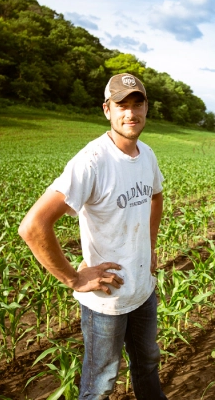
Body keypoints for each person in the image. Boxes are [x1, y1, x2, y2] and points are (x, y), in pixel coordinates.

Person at [18, 73, 168, 400]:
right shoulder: (92, 161)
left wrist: (150, 246)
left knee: (148, 364)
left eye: (137, 104)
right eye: (121, 105)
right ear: (107, 110)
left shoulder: (148, 155)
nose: (131, 113)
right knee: (100, 385)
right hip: (107, 300)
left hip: (143, 290)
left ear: (146, 108)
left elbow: (156, 196)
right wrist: (73, 279)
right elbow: (32, 227)